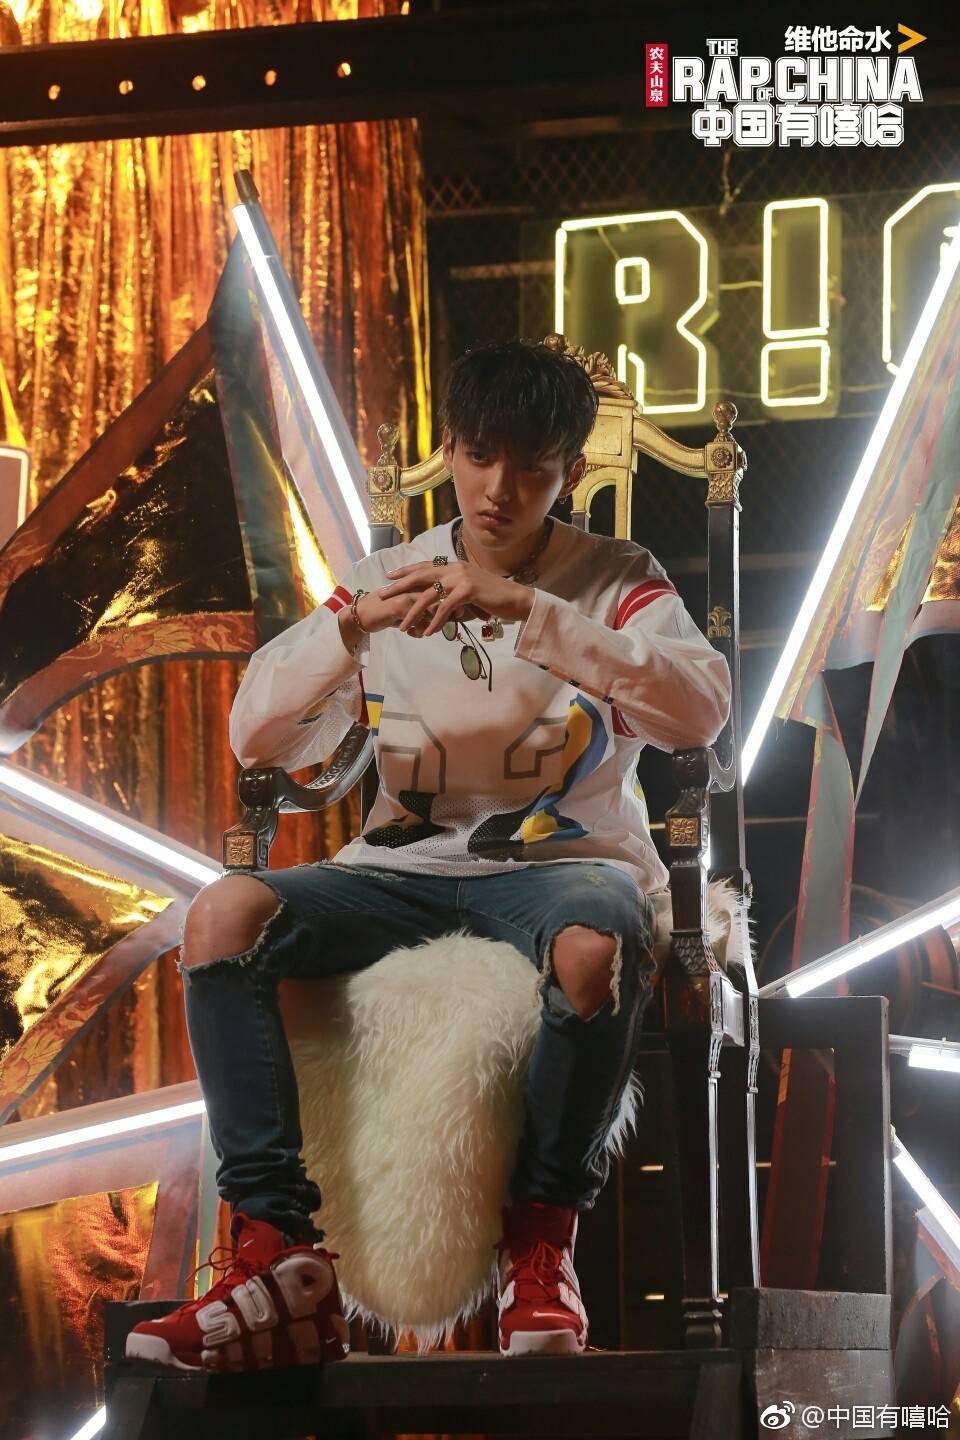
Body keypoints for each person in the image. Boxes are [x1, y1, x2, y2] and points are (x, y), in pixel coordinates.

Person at [126, 340, 730, 1372]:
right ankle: (276, 1254)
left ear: (571, 471)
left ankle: (541, 1251)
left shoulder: (618, 579)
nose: (499, 491)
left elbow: (701, 709)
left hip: (563, 870)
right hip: (396, 874)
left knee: (595, 945)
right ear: (448, 448)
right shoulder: (386, 576)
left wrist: (532, 612)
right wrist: (352, 628)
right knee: (220, 914)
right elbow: (255, 734)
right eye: (480, 457)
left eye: (531, 468)